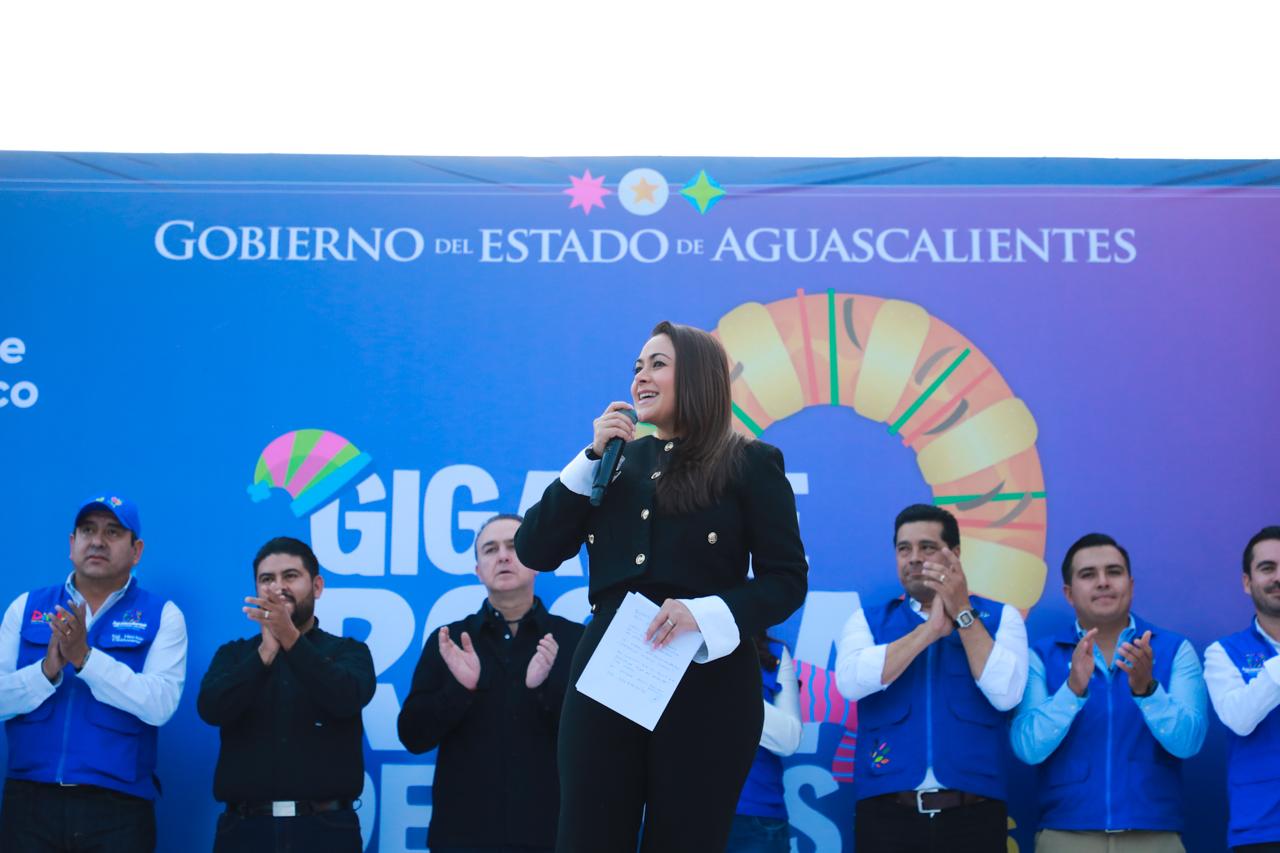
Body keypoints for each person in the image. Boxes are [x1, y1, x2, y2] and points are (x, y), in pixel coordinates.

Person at [515, 320, 808, 853]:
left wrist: (707, 614)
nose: (640, 379)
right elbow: (535, 549)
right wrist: (588, 458)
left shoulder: (750, 462)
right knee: (587, 836)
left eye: (657, 364)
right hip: (610, 670)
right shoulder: (613, 462)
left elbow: (786, 582)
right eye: (636, 368)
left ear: (697, 377)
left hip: (708, 682)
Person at [833, 503, 1028, 853]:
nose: (913, 558)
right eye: (904, 548)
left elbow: (1007, 694)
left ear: (954, 555)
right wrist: (930, 632)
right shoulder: (868, 621)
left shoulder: (1001, 618)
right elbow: (850, 682)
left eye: (927, 547)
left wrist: (963, 615)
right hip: (888, 814)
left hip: (974, 815)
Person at [0, 494, 188, 853]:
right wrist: (46, 671)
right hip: (29, 803)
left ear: (137, 551)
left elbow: (160, 704)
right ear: (72, 544)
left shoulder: (162, 614)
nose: (98, 541)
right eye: (88, 530)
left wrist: (86, 660)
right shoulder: (26, 607)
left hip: (117, 808)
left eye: (113, 532)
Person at [397, 513, 584, 853]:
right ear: (478, 570)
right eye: (490, 549)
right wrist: (460, 689)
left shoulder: (574, 640)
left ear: (536, 562)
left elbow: (594, 743)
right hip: (463, 836)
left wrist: (544, 689)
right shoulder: (450, 640)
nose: (502, 556)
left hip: (551, 834)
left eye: (514, 546)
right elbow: (412, 735)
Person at [1011, 533, 1207, 852]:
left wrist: (1147, 691)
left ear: (1130, 584)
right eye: (1088, 575)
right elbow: (1027, 748)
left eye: (1113, 572)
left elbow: (1189, 743)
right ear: (1068, 593)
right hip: (1066, 835)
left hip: (1153, 836)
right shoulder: (1041, 656)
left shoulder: (1174, 650)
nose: (1103, 582)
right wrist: (1072, 689)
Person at [197, 536, 375, 853]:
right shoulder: (234, 654)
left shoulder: (349, 652)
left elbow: (346, 697)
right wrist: (266, 652)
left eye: (290, 576)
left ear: (317, 586)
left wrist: (290, 639)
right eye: (267, 579)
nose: (278, 588)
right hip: (245, 830)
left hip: (326, 830)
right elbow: (211, 709)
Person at [1204, 525, 1280, 852]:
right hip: (1262, 830)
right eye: (1268, 568)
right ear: (1247, 583)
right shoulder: (1222, 652)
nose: (1278, 577)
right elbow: (1239, 718)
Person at [725, 635, 802, 853]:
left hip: (755, 816)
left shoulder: (774, 653)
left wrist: (724, 685)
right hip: (680, 810)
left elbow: (790, 739)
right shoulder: (670, 644)